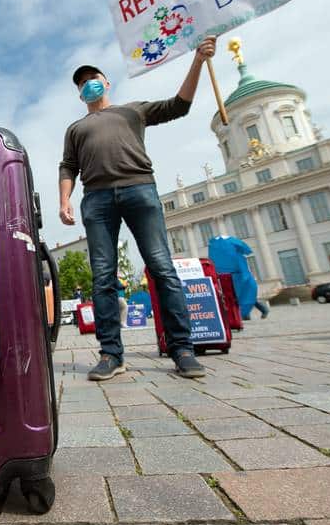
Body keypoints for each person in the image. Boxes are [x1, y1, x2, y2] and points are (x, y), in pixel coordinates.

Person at [59, 35, 217, 380]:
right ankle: (111, 354)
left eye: (92, 79)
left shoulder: (133, 111)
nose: (88, 85)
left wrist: (198, 62)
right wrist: (64, 200)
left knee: (161, 268)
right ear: (79, 93)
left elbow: (179, 105)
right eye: (82, 83)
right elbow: (68, 166)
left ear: (106, 82)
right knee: (102, 277)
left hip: (139, 189)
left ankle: (183, 349)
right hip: (97, 200)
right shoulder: (76, 128)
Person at [208, 235, 270, 320]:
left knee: (245, 295)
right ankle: (248, 314)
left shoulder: (237, 256)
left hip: (240, 277)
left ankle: (262, 310)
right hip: (233, 277)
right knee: (240, 296)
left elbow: (243, 267)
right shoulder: (227, 257)